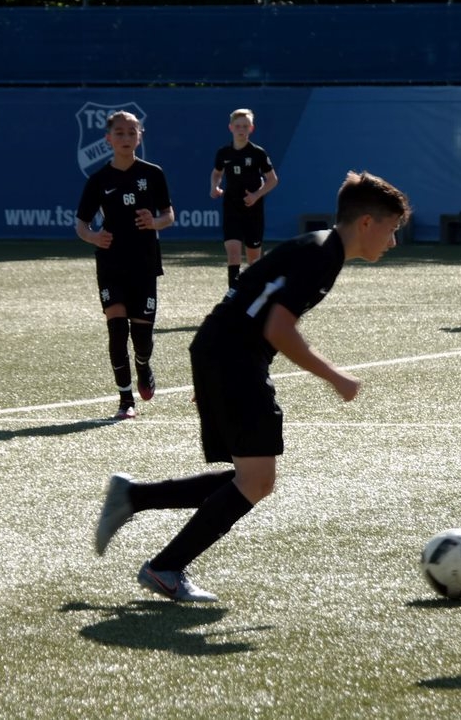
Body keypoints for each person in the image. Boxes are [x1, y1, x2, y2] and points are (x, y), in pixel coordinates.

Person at [94, 171, 411, 602]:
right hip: (232, 358)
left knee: (252, 477)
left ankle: (132, 498)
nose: (393, 242)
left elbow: (248, 304)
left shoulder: (321, 249)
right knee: (257, 480)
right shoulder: (323, 254)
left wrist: (210, 371)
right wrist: (335, 377)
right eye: (391, 229)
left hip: (222, 354)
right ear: (367, 223)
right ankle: (164, 566)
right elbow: (278, 328)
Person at [75, 110, 175, 421]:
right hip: (111, 264)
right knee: (117, 331)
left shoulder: (153, 173)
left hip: (144, 263)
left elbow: (169, 215)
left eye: (132, 132)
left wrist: (154, 221)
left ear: (140, 137)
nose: (126, 138)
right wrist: (94, 237)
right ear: (108, 139)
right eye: (119, 133)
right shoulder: (98, 180)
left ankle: (143, 365)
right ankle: (125, 399)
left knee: (141, 339)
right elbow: (81, 224)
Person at [210, 108, 280, 289]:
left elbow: (272, 180)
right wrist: (214, 186)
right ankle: (232, 294)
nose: (241, 129)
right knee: (233, 254)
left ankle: (254, 293)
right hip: (231, 207)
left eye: (245, 126)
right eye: (238, 126)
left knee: (253, 259)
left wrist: (256, 195)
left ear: (251, 128)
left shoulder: (258, 153)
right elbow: (217, 173)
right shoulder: (224, 153)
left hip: (253, 209)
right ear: (230, 128)